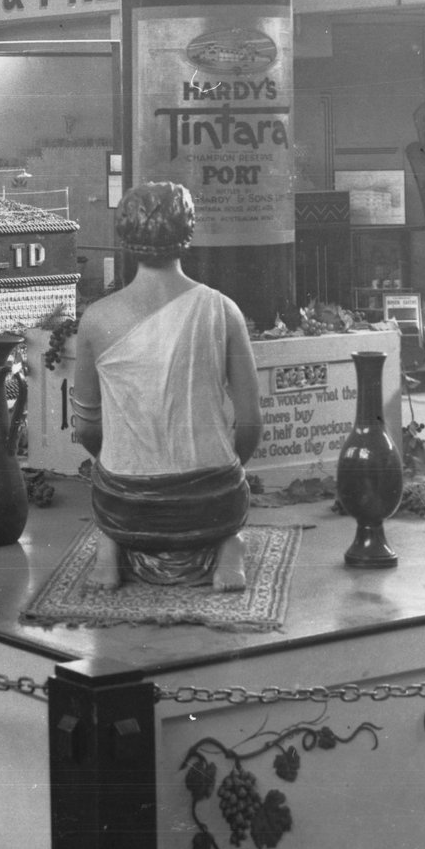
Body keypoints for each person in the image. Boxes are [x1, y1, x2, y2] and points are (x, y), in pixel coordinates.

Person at [69, 182, 262, 591]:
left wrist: (122, 461)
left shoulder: (97, 319)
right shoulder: (223, 310)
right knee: (228, 494)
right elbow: (250, 425)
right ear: (187, 234)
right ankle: (228, 545)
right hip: (213, 502)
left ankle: (111, 547)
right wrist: (227, 467)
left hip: (125, 505)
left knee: (112, 477)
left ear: (125, 239)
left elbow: (86, 428)